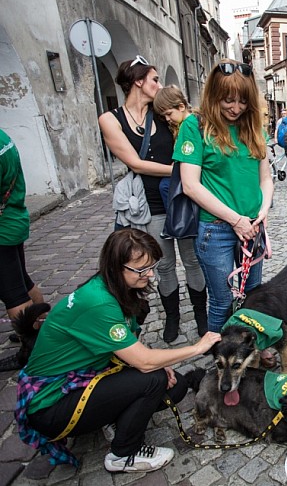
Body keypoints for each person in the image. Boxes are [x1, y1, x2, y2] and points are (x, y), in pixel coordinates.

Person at [16, 228, 221, 472]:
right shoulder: (99, 302)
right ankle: (124, 454)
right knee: (153, 379)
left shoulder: (113, 288)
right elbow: (143, 362)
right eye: (141, 270)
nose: (150, 274)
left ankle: (111, 418)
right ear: (116, 267)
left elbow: (129, 345)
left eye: (151, 266)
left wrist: (161, 362)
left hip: (81, 379)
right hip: (50, 404)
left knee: (174, 387)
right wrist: (197, 348)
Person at [99, 59, 207, 344]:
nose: (159, 85)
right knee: (163, 265)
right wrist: (182, 169)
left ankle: (201, 316)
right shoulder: (111, 119)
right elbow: (136, 163)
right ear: (137, 81)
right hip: (150, 204)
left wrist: (188, 171)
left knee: (192, 260)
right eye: (154, 79)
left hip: (181, 198)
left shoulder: (162, 114)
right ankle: (172, 317)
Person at [173, 59, 274, 337]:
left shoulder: (254, 128)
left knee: (253, 297)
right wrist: (235, 220)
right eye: (228, 100)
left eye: (242, 101)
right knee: (221, 301)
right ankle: (220, 361)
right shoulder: (195, 126)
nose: (235, 108)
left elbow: (265, 178)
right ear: (214, 95)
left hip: (252, 227)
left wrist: (262, 211)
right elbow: (191, 185)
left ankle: (252, 350)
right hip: (215, 230)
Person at [0, 128, 45, 367]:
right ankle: (35, 328)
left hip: (3, 230)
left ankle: (31, 350)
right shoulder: (2, 137)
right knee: (24, 283)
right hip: (13, 219)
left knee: (14, 293)